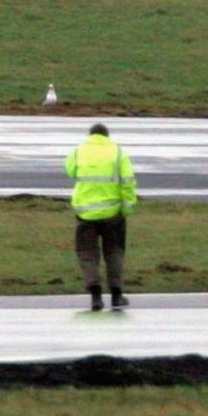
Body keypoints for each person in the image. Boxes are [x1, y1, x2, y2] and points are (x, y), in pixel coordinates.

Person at [63, 122, 138, 312]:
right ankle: (116, 295)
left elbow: (69, 171)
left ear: (90, 135)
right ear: (107, 136)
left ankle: (95, 296)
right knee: (114, 253)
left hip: (86, 213)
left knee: (88, 255)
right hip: (113, 212)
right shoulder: (118, 152)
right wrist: (128, 209)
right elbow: (128, 182)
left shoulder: (79, 151)